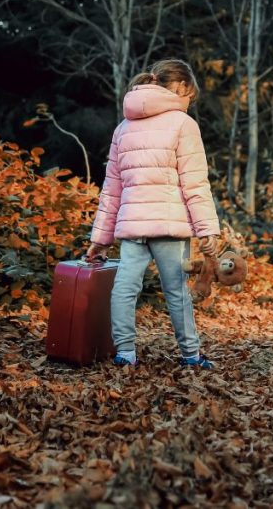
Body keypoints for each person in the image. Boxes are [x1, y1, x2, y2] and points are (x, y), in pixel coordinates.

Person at [84, 59, 219, 369]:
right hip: (169, 227)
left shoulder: (123, 127)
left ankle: (126, 354)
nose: (189, 104)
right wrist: (207, 230)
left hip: (133, 227)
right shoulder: (184, 125)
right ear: (182, 87)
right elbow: (195, 183)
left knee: (124, 289)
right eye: (191, 96)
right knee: (176, 293)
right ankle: (191, 356)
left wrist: (100, 239)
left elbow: (112, 189)